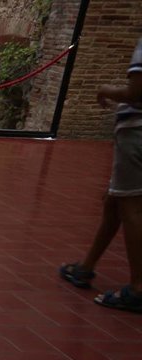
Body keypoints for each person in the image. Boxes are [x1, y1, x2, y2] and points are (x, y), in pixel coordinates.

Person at [58, 37, 142, 314]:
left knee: (131, 207)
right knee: (113, 202)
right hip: (132, 134)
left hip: (136, 132)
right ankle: (86, 267)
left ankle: (138, 288)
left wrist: (107, 90)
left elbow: (136, 92)